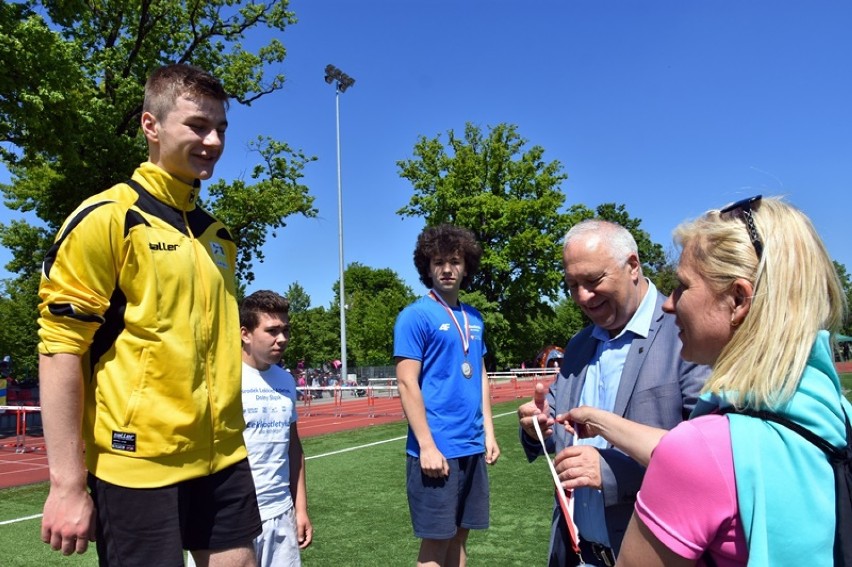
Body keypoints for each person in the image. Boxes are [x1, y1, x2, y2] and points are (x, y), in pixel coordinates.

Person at [37, 63, 261, 565]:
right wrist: (67, 484)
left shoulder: (216, 235)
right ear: (151, 126)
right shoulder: (109, 217)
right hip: (134, 462)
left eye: (221, 128)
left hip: (222, 456)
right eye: (198, 125)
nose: (213, 141)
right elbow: (59, 350)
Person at [565, 196, 851, 566]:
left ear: (738, 299)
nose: (669, 304)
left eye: (683, 286)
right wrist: (598, 418)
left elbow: (695, 457)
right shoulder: (832, 415)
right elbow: (702, 455)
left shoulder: (704, 450)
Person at [516, 219, 710, 566]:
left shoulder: (688, 334)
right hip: (577, 554)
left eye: (592, 281)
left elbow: (711, 465)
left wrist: (611, 473)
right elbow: (553, 427)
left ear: (632, 266)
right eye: (572, 285)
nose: (582, 297)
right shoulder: (578, 345)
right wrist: (536, 427)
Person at [394, 224, 501, 567]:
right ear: (427, 267)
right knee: (435, 544)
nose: (447, 269)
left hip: (470, 445)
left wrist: (489, 431)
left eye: (455, 261)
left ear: (466, 266)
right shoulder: (414, 316)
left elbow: (480, 374)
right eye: (438, 261)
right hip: (436, 449)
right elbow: (407, 383)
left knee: (460, 536)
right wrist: (426, 445)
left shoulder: (474, 317)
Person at [189, 290, 312, 567]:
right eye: (272, 331)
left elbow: (293, 447)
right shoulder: (220, 377)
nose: (282, 338)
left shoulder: (286, 380)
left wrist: (300, 509)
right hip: (229, 517)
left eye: (285, 330)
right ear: (245, 333)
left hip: (281, 513)